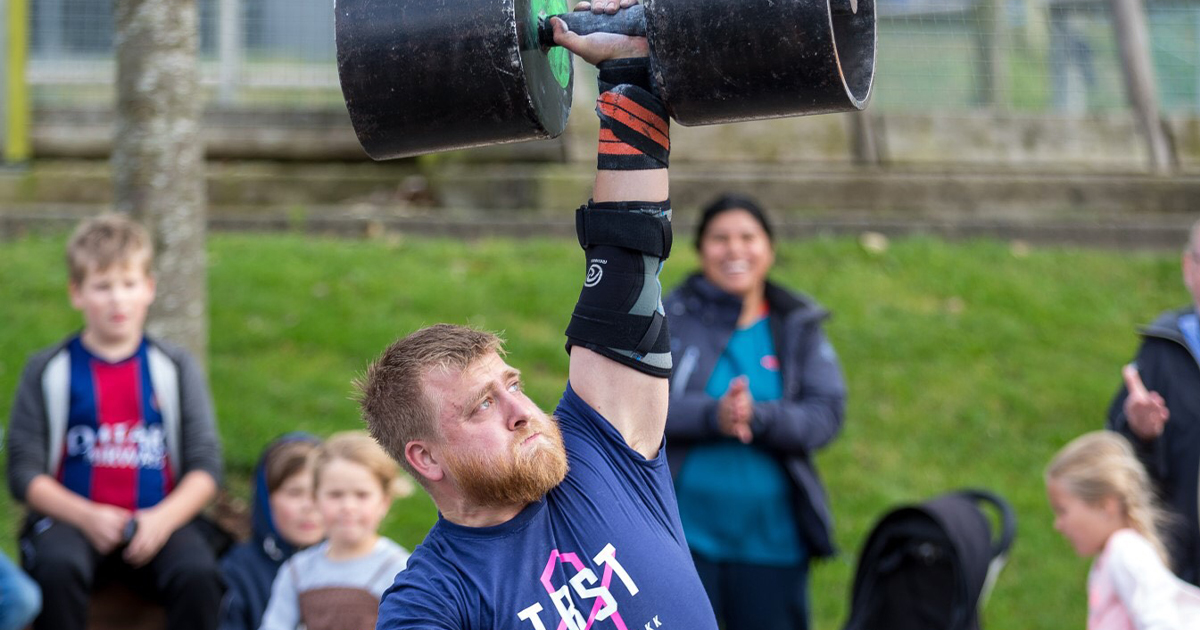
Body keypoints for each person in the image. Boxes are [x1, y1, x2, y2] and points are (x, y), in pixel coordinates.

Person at [358, 2, 718, 627]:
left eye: (512, 385)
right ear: (426, 459)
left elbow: (628, 255)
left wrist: (629, 77)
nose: (524, 412)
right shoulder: (436, 598)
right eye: (481, 406)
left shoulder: (600, 453)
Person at [5, 213, 224, 630]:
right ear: (77, 293)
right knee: (56, 567)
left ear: (149, 289)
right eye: (102, 287)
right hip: (73, 522)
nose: (117, 300)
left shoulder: (174, 368)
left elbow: (206, 465)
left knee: (198, 574)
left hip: (158, 520)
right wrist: (87, 516)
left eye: (128, 284)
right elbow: (23, 472)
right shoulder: (49, 369)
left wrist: (162, 519)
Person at [663, 194, 846, 630]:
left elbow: (825, 415)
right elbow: (632, 407)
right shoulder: (667, 316)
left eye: (748, 237)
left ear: (770, 248)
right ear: (700, 249)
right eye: (719, 238)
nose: (734, 249)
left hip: (774, 546)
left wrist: (758, 416)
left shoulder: (796, 325)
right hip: (681, 542)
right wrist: (715, 416)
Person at [1106, 217, 1200, 586]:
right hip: (1176, 573)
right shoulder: (1162, 351)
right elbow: (1121, 471)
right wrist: (1137, 431)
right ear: (1188, 267)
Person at [1045, 431, 1200, 629]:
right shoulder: (1108, 558)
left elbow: (1160, 622)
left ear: (1105, 506)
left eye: (1062, 511)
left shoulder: (1125, 550)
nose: (1058, 524)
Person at [257, 431, 410, 630]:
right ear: (315, 499)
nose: (348, 506)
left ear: (384, 502)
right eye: (335, 495)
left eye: (361, 495)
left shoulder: (400, 571)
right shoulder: (297, 571)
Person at [219, 433, 325, 630]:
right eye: (295, 493)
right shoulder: (238, 570)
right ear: (266, 499)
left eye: (320, 492)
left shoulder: (356, 563)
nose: (309, 506)